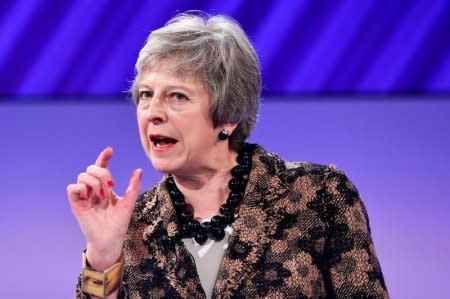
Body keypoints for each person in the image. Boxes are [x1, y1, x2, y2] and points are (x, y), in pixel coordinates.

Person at [68, 12, 389, 299]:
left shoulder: (319, 195)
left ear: (228, 116)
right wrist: (102, 256)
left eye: (177, 96)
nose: (153, 112)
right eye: (146, 95)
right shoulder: (132, 225)